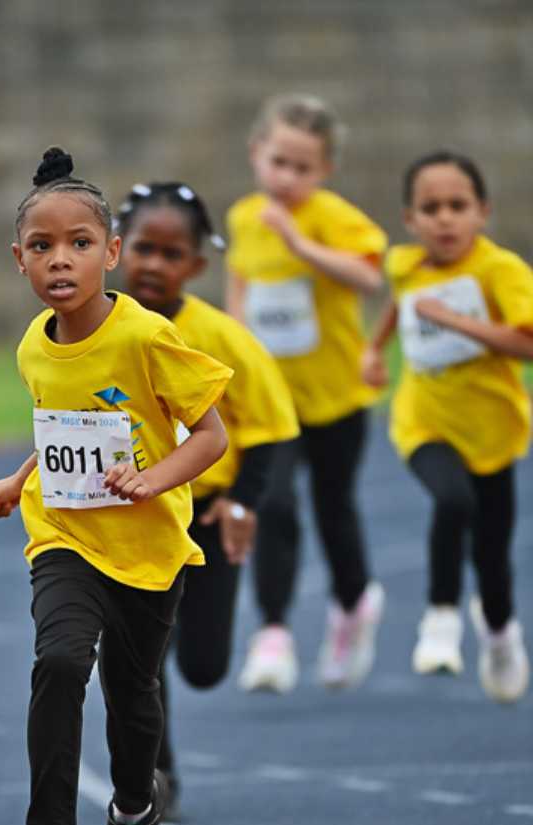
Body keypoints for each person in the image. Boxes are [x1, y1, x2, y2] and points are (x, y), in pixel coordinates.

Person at [0, 148, 231, 825]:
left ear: (110, 252)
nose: (61, 259)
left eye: (79, 243)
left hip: (146, 547)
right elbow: (63, 427)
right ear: (19, 259)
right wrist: (18, 479)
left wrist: (155, 479)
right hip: (64, 534)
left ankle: (134, 813)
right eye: (42, 246)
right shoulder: (33, 344)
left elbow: (210, 436)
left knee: (133, 694)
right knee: (58, 660)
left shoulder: (146, 336)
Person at [115, 180, 299, 819]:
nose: (154, 264)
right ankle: (157, 775)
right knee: (141, 656)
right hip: (134, 516)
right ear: (117, 249)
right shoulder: (99, 329)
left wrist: (244, 501)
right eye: (144, 248)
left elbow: (272, 426)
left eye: (172, 255)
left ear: (196, 265)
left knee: (203, 665)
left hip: (208, 516)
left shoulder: (222, 336)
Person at [226, 93, 386, 693]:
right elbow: (239, 292)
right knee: (272, 505)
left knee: (333, 509)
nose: (287, 177)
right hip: (273, 401)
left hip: (337, 397)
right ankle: (273, 633)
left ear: (325, 170)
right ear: (256, 154)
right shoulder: (244, 218)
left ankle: (353, 607)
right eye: (278, 162)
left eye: (302, 167)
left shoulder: (333, 217)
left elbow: (369, 276)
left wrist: (299, 244)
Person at [363, 150, 533, 702]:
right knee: (453, 501)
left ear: (482, 211)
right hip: (423, 421)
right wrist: (374, 349)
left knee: (492, 557)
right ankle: (440, 617)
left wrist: (456, 321)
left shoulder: (500, 271)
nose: (444, 219)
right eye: (430, 208)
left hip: (492, 430)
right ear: (410, 220)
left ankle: (502, 637)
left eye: (457, 206)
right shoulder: (404, 264)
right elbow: (400, 303)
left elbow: (527, 343)